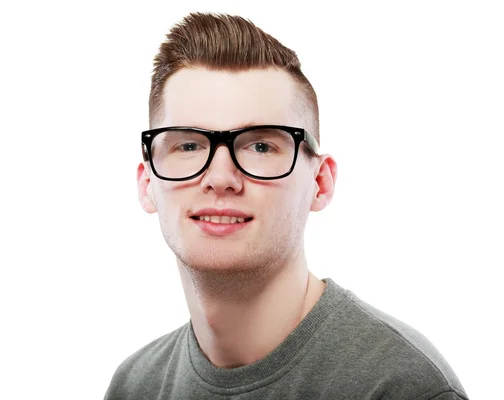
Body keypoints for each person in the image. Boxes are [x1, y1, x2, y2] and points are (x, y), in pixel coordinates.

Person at [104, 12, 468, 400]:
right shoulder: (134, 385)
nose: (221, 177)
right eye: (189, 145)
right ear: (147, 184)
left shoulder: (402, 388)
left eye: (260, 146)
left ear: (320, 183)